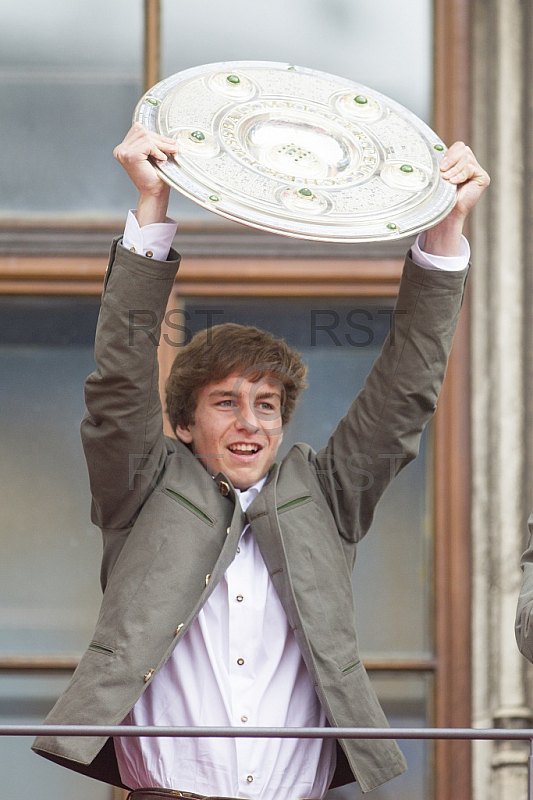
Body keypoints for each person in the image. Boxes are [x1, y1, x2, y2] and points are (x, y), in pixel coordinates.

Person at [33, 122, 490, 799]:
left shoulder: (328, 495)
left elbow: (404, 394)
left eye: (267, 405)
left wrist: (444, 231)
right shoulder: (141, 484)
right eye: (225, 403)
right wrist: (152, 209)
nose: (250, 422)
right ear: (183, 424)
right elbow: (120, 379)